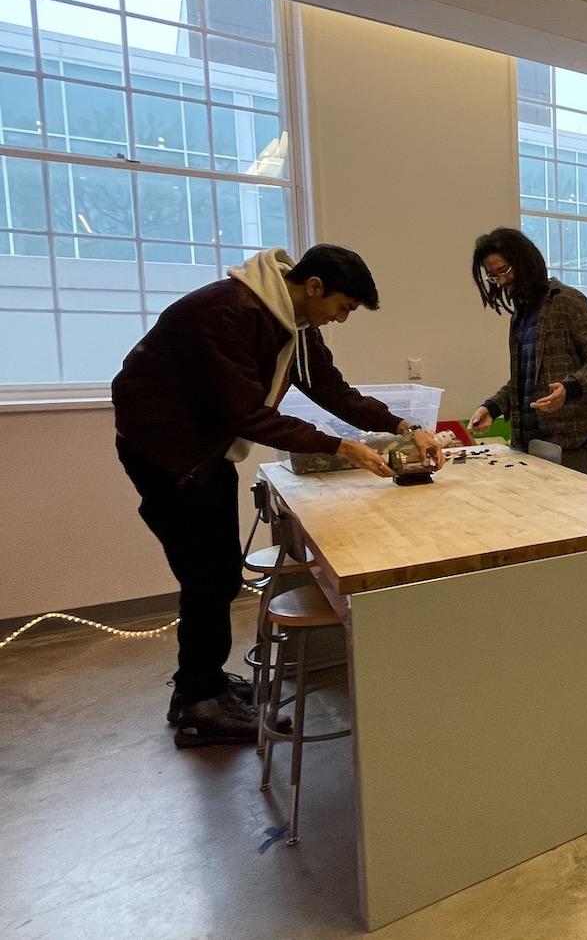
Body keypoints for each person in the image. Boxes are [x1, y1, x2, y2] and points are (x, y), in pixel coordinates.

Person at [113, 245, 443, 748]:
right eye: (343, 308)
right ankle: (200, 706)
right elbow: (244, 412)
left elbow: (333, 391)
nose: (341, 319)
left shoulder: (294, 326)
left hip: (204, 453)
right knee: (209, 576)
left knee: (217, 573)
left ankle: (201, 685)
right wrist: (338, 446)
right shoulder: (227, 312)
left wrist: (406, 426)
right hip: (169, 455)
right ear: (314, 287)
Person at [468, 228, 587, 475]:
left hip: (568, 437)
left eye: (503, 270)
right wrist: (492, 407)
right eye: (493, 277)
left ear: (525, 262)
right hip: (527, 440)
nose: (502, 281)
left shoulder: (567, 301)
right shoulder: (521, 315)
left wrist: (569, 389)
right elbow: (524, 379)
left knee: (573, 512)